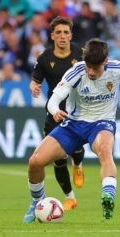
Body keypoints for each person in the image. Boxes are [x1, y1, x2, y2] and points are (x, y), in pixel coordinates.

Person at [23, 38, 120, 222]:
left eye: (95, 68)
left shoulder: (116, 69)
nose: (90, 71)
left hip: (102, 122)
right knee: (35, 161)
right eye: (88, 66)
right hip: (73, 123)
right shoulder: (76, 71)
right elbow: (54, 99)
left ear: (105, 62)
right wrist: (55, 111)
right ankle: (37, 201)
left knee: (105, 151)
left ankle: (108, 196)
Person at [29, 16, 85, 211]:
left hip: (78, 113)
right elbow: (35, 80)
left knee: (76, 150)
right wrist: (34, 87)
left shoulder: (81, 54)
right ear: (52, 36)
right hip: (54, 113)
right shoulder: (45, 58)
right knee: (58, 159)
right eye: (58, 33)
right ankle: (69, 197)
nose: (62, 36)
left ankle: (78, 165)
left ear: (71, 35)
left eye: (66, 32)